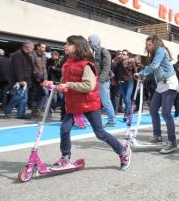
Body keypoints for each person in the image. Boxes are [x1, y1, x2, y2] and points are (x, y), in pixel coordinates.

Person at [51, 35, 131, 170]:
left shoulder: (86, 65)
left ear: (77, 47)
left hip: (89, 104)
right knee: (64, 130)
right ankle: (65, 157)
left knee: (100, 133)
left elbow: (88, 85)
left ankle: (123, 150)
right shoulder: (67, 64)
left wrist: (68, 85)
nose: (65, 46)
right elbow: (66, 83)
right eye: (66, 43)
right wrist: (54, 84)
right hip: (74, 104)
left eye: (68, 44)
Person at [134, 35, 179, 154]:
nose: (148, 47)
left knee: (166, 112)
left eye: (150, 45)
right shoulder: (155, 53)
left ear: (155, 44)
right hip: (161, 85)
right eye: (147, 45)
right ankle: (157, 135)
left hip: (169, 83)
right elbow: (154, 69)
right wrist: (143, 76)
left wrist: (142, 73)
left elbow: (154, 66)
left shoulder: (160, 50)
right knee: (153, 109)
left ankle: (172, 141)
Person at [88, 34, 116, 127]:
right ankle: (91, 120)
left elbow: (107, 67)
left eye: (90, 41)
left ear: (94, 42)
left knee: (105, 101)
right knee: (93, 100)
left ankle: (112, 121)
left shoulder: (104, 51)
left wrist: (100, 80)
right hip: (95, 80)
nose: (88, 43)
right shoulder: (93, 52)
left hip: (102, 81)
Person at [5, 40, 35, 119]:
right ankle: (7, 110)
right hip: (20, 80)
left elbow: (30, 67)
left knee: (24, 98)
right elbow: (17, 68)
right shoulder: (17, 54)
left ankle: (21, 114)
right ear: (27, 47)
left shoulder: (27, 55)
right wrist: (20, 80)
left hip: (26, 79)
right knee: (18, 96)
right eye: (32, 48)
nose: (33, 49)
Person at [29, 42, 48, 117]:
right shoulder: (32, 55)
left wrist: (45, 78)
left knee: (44, 94)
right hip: (35, 79)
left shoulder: (44, 56)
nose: (44, 49)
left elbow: (44, 68)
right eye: (43, 47)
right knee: (35, 95)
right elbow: (31, 67)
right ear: (38, 47)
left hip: (43, 79)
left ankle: (38, 110)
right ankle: (34, 111)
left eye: (44, 47)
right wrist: (36, 76)